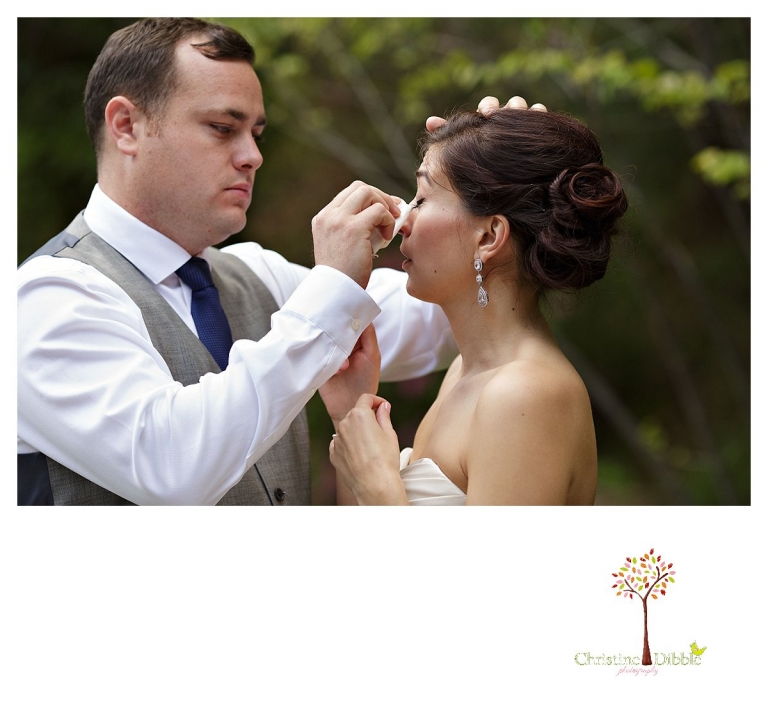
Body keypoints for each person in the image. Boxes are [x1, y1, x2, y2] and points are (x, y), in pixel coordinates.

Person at [16, 16, 531, 506]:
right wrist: (331, 286)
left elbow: (462, 316)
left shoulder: (255, 276)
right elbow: (170, 467)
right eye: (222, 127)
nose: (252, 156)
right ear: (126, 125)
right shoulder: (46, 297)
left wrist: (510, 192)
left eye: (256, 134)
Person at [321, 106, 628, 505]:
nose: (401, 219)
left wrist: (381, 487)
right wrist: (351, 415)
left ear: (489, 236)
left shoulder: (525, 395)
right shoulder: (464, 373)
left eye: (423, 198)